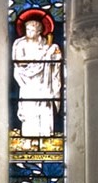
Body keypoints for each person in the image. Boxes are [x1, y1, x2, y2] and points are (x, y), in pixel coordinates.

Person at [12, 10, 62, 138]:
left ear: (39, 31)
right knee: (30, 107)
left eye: (32, 30)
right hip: (27, 81)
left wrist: (54, 55)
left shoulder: (47, 44)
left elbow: (54, 61)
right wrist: (41, 55)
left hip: (44, 81)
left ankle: (45, 135)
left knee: (45, 106)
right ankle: (29, 136)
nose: (29, 32)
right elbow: (20, 63)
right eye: (27, 29)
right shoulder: (20, 44)